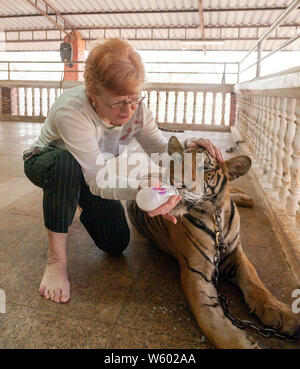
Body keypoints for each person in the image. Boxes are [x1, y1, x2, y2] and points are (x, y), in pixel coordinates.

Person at [23, 38, 224, 304]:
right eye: (117, 103)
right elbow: (96, 181)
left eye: (133, 99)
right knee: (66, 165)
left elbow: (160, 150)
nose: (127, 111)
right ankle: (55, 260)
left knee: (116, 243)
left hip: (91, 171)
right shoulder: (71, 111)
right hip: (48, 161)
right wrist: (139, 189)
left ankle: (73, 202)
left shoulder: (136, 110)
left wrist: (188, 147)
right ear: (92, 95)